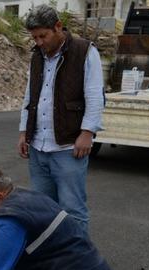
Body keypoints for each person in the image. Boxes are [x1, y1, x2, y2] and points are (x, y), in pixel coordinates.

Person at [17, 5, 105, 233]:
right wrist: (23, 131)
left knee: (73, 209)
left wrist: (87, 132)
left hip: (68, 147)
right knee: (42, 208)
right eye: (34, 37)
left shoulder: (85, 52)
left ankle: (77, 263)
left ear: (58, 27)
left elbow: (95, 96)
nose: (38, 42)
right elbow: (30, 96)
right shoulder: (37, 56)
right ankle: (51, 258)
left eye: (43, 36)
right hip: (38, 147)